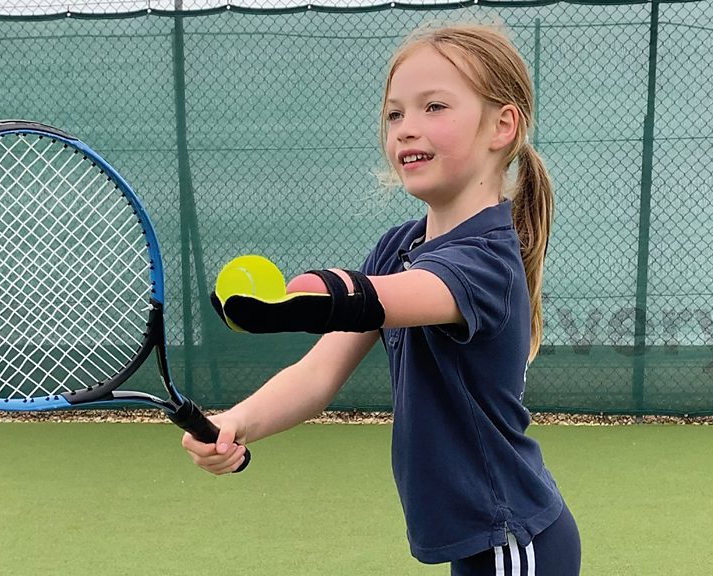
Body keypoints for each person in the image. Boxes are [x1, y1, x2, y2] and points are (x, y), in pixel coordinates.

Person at [184, 23, 581, 575]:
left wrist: (295, 297)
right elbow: (318, 374)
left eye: (434, 106)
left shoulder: (488, 260)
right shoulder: (399, 245)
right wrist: (237, 422)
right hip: (479, 538)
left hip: (514, 541)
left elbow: (386, 298)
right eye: (395, 114)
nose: (406, 130)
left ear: (502, 126)